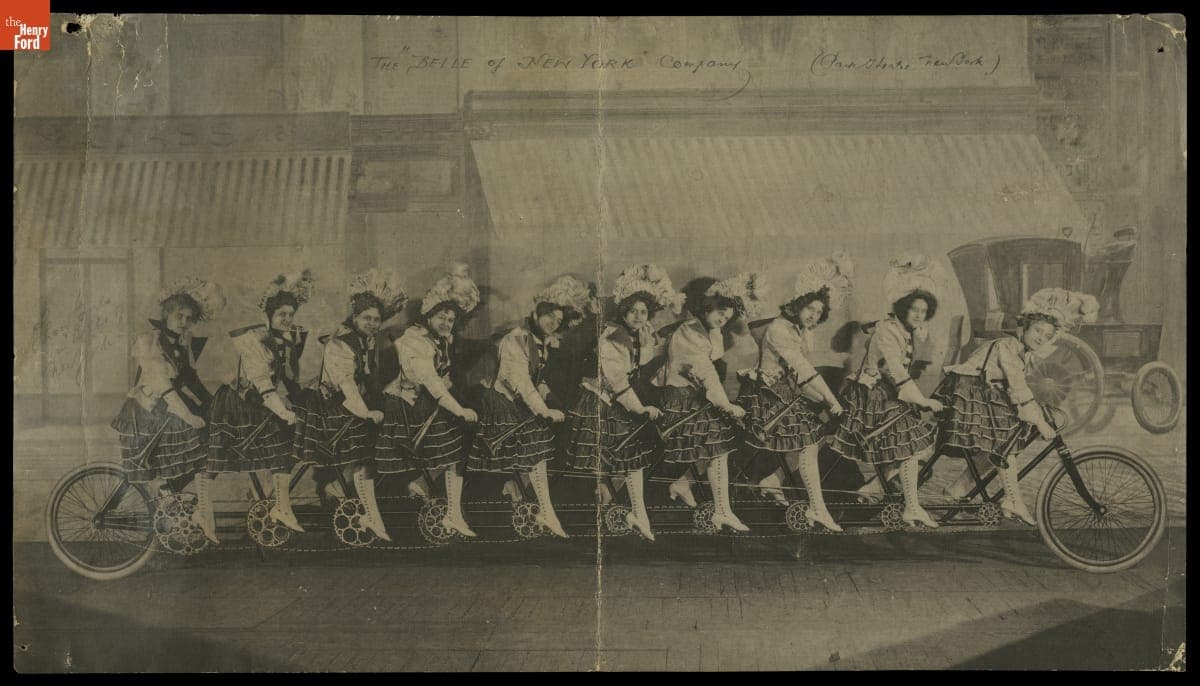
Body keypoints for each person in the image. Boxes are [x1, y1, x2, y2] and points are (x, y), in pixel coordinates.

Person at [934, 288, 1099, 525]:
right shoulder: (1007, 346)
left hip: (983, 396)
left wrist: (1038, 411)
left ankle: (957, 490)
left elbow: (1020, 390)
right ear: (1025, 328)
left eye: (1047, 335)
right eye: (1037, 330)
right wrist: (1040, 421)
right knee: (1005, 441)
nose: (1041, 337)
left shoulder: (1025, 355)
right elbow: (1018, 387)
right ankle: (1012, 499)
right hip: (968, 394)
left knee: (1003, 442)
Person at [468, 275, 593, 539]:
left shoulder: (542, 344)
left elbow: (539, 382)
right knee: (536, 440)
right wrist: (544, 411)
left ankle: (519, 490)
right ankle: (544, 509)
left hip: (518, 402)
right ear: (536, 312)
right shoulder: (517, 338)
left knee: (550, 438)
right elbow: (521, 383)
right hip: (497, 402)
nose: (553, 323)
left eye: (559, 321)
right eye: (549, 316)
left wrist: (557, 406)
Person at [566, 264, 684, 541]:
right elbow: (619, 381)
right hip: (599, 402)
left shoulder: (639, 337)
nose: (638, 316)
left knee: (634, 457)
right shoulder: (612, 337)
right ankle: (621, 513)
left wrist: (645, 353)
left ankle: (636, 514)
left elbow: (641, 378)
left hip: (619, 402)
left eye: (643, 312)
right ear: (623, 311)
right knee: (622, 458)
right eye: (633, 311)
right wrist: (640, 408)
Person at [736, 254, 853, 532]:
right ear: (798, 305)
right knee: (810, 442)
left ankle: (774, 480)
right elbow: (803, 370)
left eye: (819, 312)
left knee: (822, 429)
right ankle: (817, 508)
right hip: (768, 398)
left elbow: (800, 378)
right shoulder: (779, 329)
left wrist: (825, 401)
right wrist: (830, 399)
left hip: (784, 393)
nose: (814, 315)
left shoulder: (798, 330)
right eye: (810, 309)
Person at [829, 254, 945, 528]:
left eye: (923, 311)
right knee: (910, 446)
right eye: (914, 309)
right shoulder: (887, 331)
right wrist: (921, 399)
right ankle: (910, 507)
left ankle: (872, 492)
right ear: (903, 308)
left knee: (915, 448)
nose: (919, 315)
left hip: (887, 394)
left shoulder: (905, 330)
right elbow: (897, 371)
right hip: (872, 398)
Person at [293, 268, 406, 542]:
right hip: (330, 407)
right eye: (366, 318)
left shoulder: (368, 343)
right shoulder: (340, 346)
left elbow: (369, 381)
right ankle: (364, 509)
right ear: (355, 318)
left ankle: (372, 493)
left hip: (353, 403)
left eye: (376, 320)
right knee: (364, 453)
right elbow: (346, 387)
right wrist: (367, 412)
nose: (372, 323)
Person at [111, 277, 226, 542]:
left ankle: (179, 499)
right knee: (195, 444)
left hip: (166, 410)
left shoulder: (183, 343)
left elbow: (190, 381)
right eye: (179, 316)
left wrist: (212, 406)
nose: (183, 322)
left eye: (188, 318)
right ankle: (170, 497)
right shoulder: (149, 342)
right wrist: (188, 414)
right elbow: (163, 386)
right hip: (147, 413)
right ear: (166, 314)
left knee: (212, 437)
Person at [654, 273, 767, 532]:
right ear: (708, 305)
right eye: (719, 312)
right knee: (719, 445)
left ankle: (685, 484)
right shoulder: (689, 332)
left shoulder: (709, 330)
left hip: (693, 399)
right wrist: (728, 406)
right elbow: (707, 375)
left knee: (722, 441)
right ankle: (722, 511)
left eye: (727, 317)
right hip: (679, 403)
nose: (722, 319)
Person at [206, 270, 315, 537]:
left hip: (257, 400)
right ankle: (275, 502)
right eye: (282, 315)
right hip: (237, 404)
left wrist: (305, 402)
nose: (287, 320)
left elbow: (289, 380)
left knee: (290, 437)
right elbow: (264, 385)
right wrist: (282, 410)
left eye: (291, 315)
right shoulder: (254, 341)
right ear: (269, 316)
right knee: (274, 436)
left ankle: (277, 501)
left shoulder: (286, 341)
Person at [376, 264, 482, 538]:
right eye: (442, 317)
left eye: (450, 319)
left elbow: (443, 379)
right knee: (452, 449)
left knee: (458, 450)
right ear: (429, 314)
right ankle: (444, 508)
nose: (446, 323)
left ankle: (451, 512)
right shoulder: (414, 340)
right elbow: (431, 382)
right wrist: (459, 409)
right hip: (405, 407)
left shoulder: (441, 340)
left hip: (425, 405)